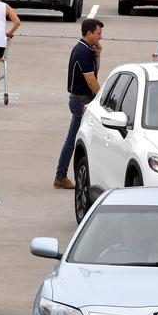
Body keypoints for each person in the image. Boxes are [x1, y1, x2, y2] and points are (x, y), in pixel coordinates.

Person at [54, 18, 103, 190]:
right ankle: (60, 176)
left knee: (78, 138)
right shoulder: (82, 52)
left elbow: (94, 73)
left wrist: (98, 54)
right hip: (81, 100)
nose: (100, 37)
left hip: (81, 99)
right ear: (88, 33)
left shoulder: (87, 50)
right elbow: (91, 80)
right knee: (72, 139)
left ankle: (63, 175)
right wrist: (102, 98)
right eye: (98, 34)